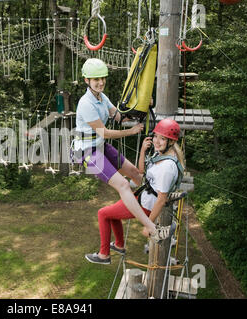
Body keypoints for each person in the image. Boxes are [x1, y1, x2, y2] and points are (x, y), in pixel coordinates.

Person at [72, 58, 174, 265]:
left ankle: (153, 203)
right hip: (87, 153)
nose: (100, 82)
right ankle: (151, 228)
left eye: (102, 78)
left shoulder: (101, 97)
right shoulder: (86, 103)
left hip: (99, 147)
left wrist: (142, 110)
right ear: (86, 80)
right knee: (124, 185)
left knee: (136, 173)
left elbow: (119, 116)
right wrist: (132, 131)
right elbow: (106, 132)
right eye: (95, 79)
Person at [85, 118, 184, 264]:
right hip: (142, 198)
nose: (157, 141)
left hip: (145, 206)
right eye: (156, 136)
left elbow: (161, 199)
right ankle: (119, 245)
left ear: (171, 142)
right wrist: (143, 150)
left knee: (103, 214)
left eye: (162, 139)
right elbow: (141, 172)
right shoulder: (162, 155)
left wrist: (149, 225)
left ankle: (103, 255)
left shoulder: (167, 167)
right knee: (111, 214)